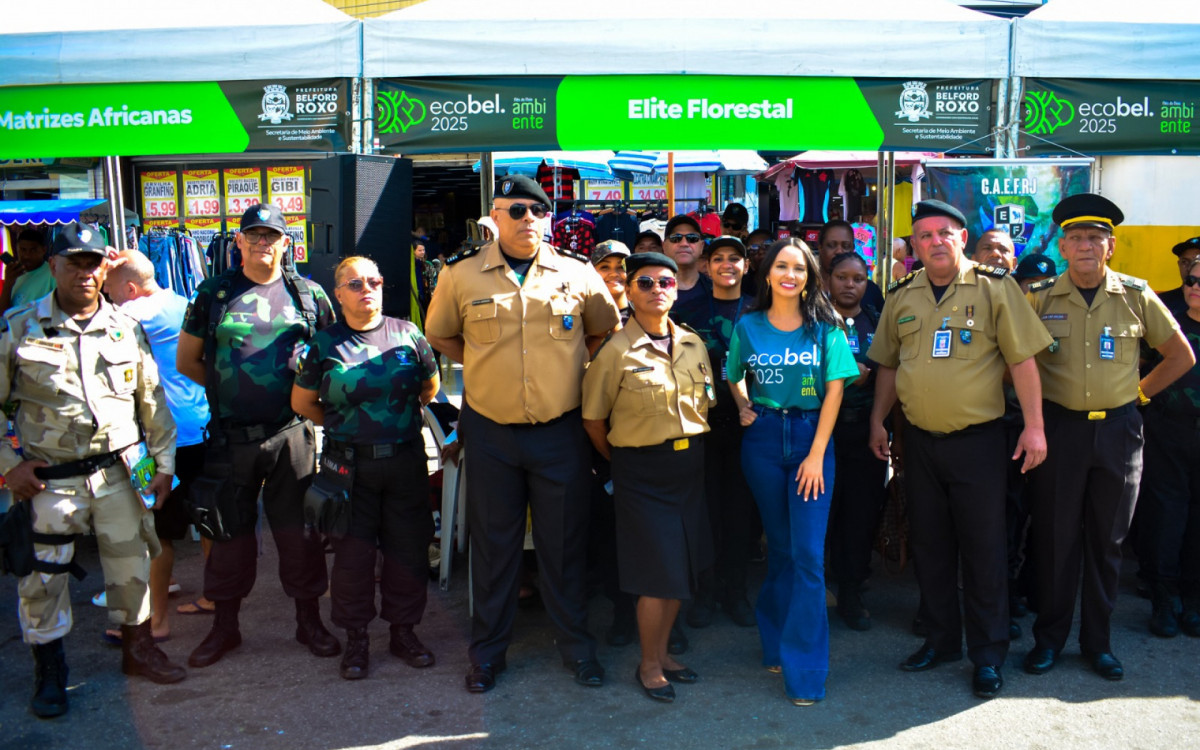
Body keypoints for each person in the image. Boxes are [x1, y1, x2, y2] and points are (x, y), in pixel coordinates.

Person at [424, 175, 620, 694]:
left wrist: (572, 363)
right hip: (491, 432)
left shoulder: (576, 274)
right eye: (516, 211)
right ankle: (487, 654)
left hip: (560, 433)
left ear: (549, 218)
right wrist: (485, 360)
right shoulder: (461, 276)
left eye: (537, 211)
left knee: (563, 546)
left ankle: (577, 647)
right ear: (495, 216)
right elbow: (439, 332)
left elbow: (604, 327)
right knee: (495, 548)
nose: (527, 220)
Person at [867, 199, 1053, 700]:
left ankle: (988, 655)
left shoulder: (995, 290)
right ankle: (942, 641)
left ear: (961, 237)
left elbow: (1024, 364)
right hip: (919, 443)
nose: (934, 242)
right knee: (930, 545)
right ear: (914, 246)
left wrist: (1034, 428)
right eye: (924, 235)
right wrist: (877, 420)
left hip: (979, 444)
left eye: (944, 233)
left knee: (984, 550)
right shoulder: (902, 296)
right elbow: (887, 364)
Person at [0, 223, 185, 718]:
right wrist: (8, 467)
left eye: (92, 263)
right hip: (49, 481)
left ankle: (138, 649)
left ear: (104, 269)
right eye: (73, 262)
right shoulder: (18, 328)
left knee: (132, 569)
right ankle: (50, 668)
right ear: (54, 266)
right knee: (42, 577)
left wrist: (163, 467)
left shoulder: (126, 328)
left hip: (120, 474)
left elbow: (153, 404)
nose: (84, 272)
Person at [1022, 194, 1194, 682]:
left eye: (1095, 238)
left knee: (1108, 543)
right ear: (1062, 244)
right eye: (1075, 237)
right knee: (1055, 543)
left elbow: (1180, 356)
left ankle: (1097, 643)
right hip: (1059, 432)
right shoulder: (1039, 298)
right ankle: (1049, 640)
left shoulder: (1137, 295)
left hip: (1119, 432)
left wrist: (1138, 395)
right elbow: (1018, 361)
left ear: (1110, 246)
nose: (1085, 246)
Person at [177, 203, 339, 669]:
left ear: (286, 243)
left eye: (272, 236)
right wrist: (232, 391)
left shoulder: (308, 294)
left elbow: (332, 355)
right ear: (240, 242)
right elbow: (188, 360)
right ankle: (224, 627)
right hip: (231, 438)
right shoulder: (215, 291)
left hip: (292, 436)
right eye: (254, 235)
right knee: (228, 535)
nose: (262, 243)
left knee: (300, 535)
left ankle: (309, 621)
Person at [292, 256, 440, 680]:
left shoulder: (407, 333)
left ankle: (403, 631)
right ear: (337, 294)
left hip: (405, 460)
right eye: (354, 284)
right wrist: (345, 428)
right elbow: (302, 404)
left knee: (407, 552)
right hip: (348, 469)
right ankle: (356, 637)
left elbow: (428, 389)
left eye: (373, 281)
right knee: (353, 558)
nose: (366, 289)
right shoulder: (324, 344)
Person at [726, 238, 858, 706]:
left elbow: (836, 391)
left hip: (810, 441)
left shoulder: (827, 329)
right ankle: (774, 641)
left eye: (799, 268)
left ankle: (805, 672)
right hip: (761, 442)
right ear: (766, 273)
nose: (790, 274)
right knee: (780, 549)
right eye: (781, 266)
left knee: (807, 555)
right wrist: (743, 403)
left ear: (809, 277)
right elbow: (733, 372)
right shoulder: (748, 325)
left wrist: (817, 453)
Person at [581, 252, 714, 703]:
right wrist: (621, 462)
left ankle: (664, 654)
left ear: (677, 289)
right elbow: (594, 421)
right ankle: (649, 664)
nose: (658, 289)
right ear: (630, 291)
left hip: (688, 469)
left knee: (681, 571)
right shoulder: (615, 350)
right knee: (657, 576)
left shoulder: (694, 344)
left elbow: (704, 407)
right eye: (646, 282)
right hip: (641, 473)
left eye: (666, 281)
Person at [103, 249, 211, 643]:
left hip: (162, 437)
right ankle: (213, 596)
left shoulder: (133, 314)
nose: (106, 295)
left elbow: (83, 320)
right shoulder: (181, 301)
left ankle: (156, 621)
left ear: (130, 288)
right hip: (198, 426)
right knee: (205, 519)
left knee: (157, 530)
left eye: (109, 288)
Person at [674, 236, 757, 629]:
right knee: (704, 513)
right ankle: (705, 593)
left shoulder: (761, 311)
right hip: (701, 426)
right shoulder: (684, 311)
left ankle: (735, 591)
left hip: (749, 427)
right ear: (706, 266)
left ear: (746, 266)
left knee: (741, 515)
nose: (727, 264)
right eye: (718, 258)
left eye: (735, 258)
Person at [824, 251, 887, 631]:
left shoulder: (878, 322)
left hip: (866, 431)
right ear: (828, 280)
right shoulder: (811, 321)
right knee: (823, 515)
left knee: (861, 515)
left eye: (858, 279)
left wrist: (881, 422)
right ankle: (818, 592)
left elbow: (893, 371)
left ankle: (851, 592)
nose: (850, 285)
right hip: (822, 434)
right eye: (842, 277)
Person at [1138, 256, 1200, 638]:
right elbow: (1139, 372)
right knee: (1164, 516)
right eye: (1191, 278)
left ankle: (1193, 600)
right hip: (1168, 432)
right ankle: (1164, 598)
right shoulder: (1168, 324)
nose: (1193, 285)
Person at [816, 221, 885, 313]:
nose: (839, 251)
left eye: (846, 246)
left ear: (852, 249)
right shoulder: (806, 289)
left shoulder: (871, 291)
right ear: (820, 247)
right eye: (832, 245)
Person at [662, 215, 712, 314]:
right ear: (664, 246)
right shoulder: (650, 288)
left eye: (692, 238)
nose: (684, 243)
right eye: (676, 238)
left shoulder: (714, 290)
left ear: (701, 246)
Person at [1, 228, 56, 313]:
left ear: (44, 250)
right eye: (23, 250)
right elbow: (3, 314)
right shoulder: (14, 274)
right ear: (16, 249)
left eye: (33, 250)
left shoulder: (53, 273)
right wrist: (8, 284)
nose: (27, 255)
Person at [591, 240, 632, 323]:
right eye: (605, 267)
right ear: (592, 271)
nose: (614, 274)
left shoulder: (642, 317)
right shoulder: (583, 318)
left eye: (621, 267)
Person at [1159, 236, 1200, 316]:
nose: (1189, 268)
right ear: (1179, 264)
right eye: (1185, 262)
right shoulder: (1161, 302)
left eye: (1197, 262)